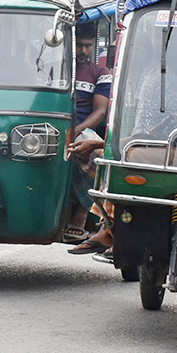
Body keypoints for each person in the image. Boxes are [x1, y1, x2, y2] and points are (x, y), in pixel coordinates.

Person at [64, 21, 111, 242]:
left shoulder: (100, 72)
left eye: (88, 45)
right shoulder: (54, 68)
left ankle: (81, 214)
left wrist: (77, 130)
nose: (84, 51)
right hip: (53, 126)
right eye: (79, 45)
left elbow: (100, 111)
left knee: (100, 160)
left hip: (83, 129)